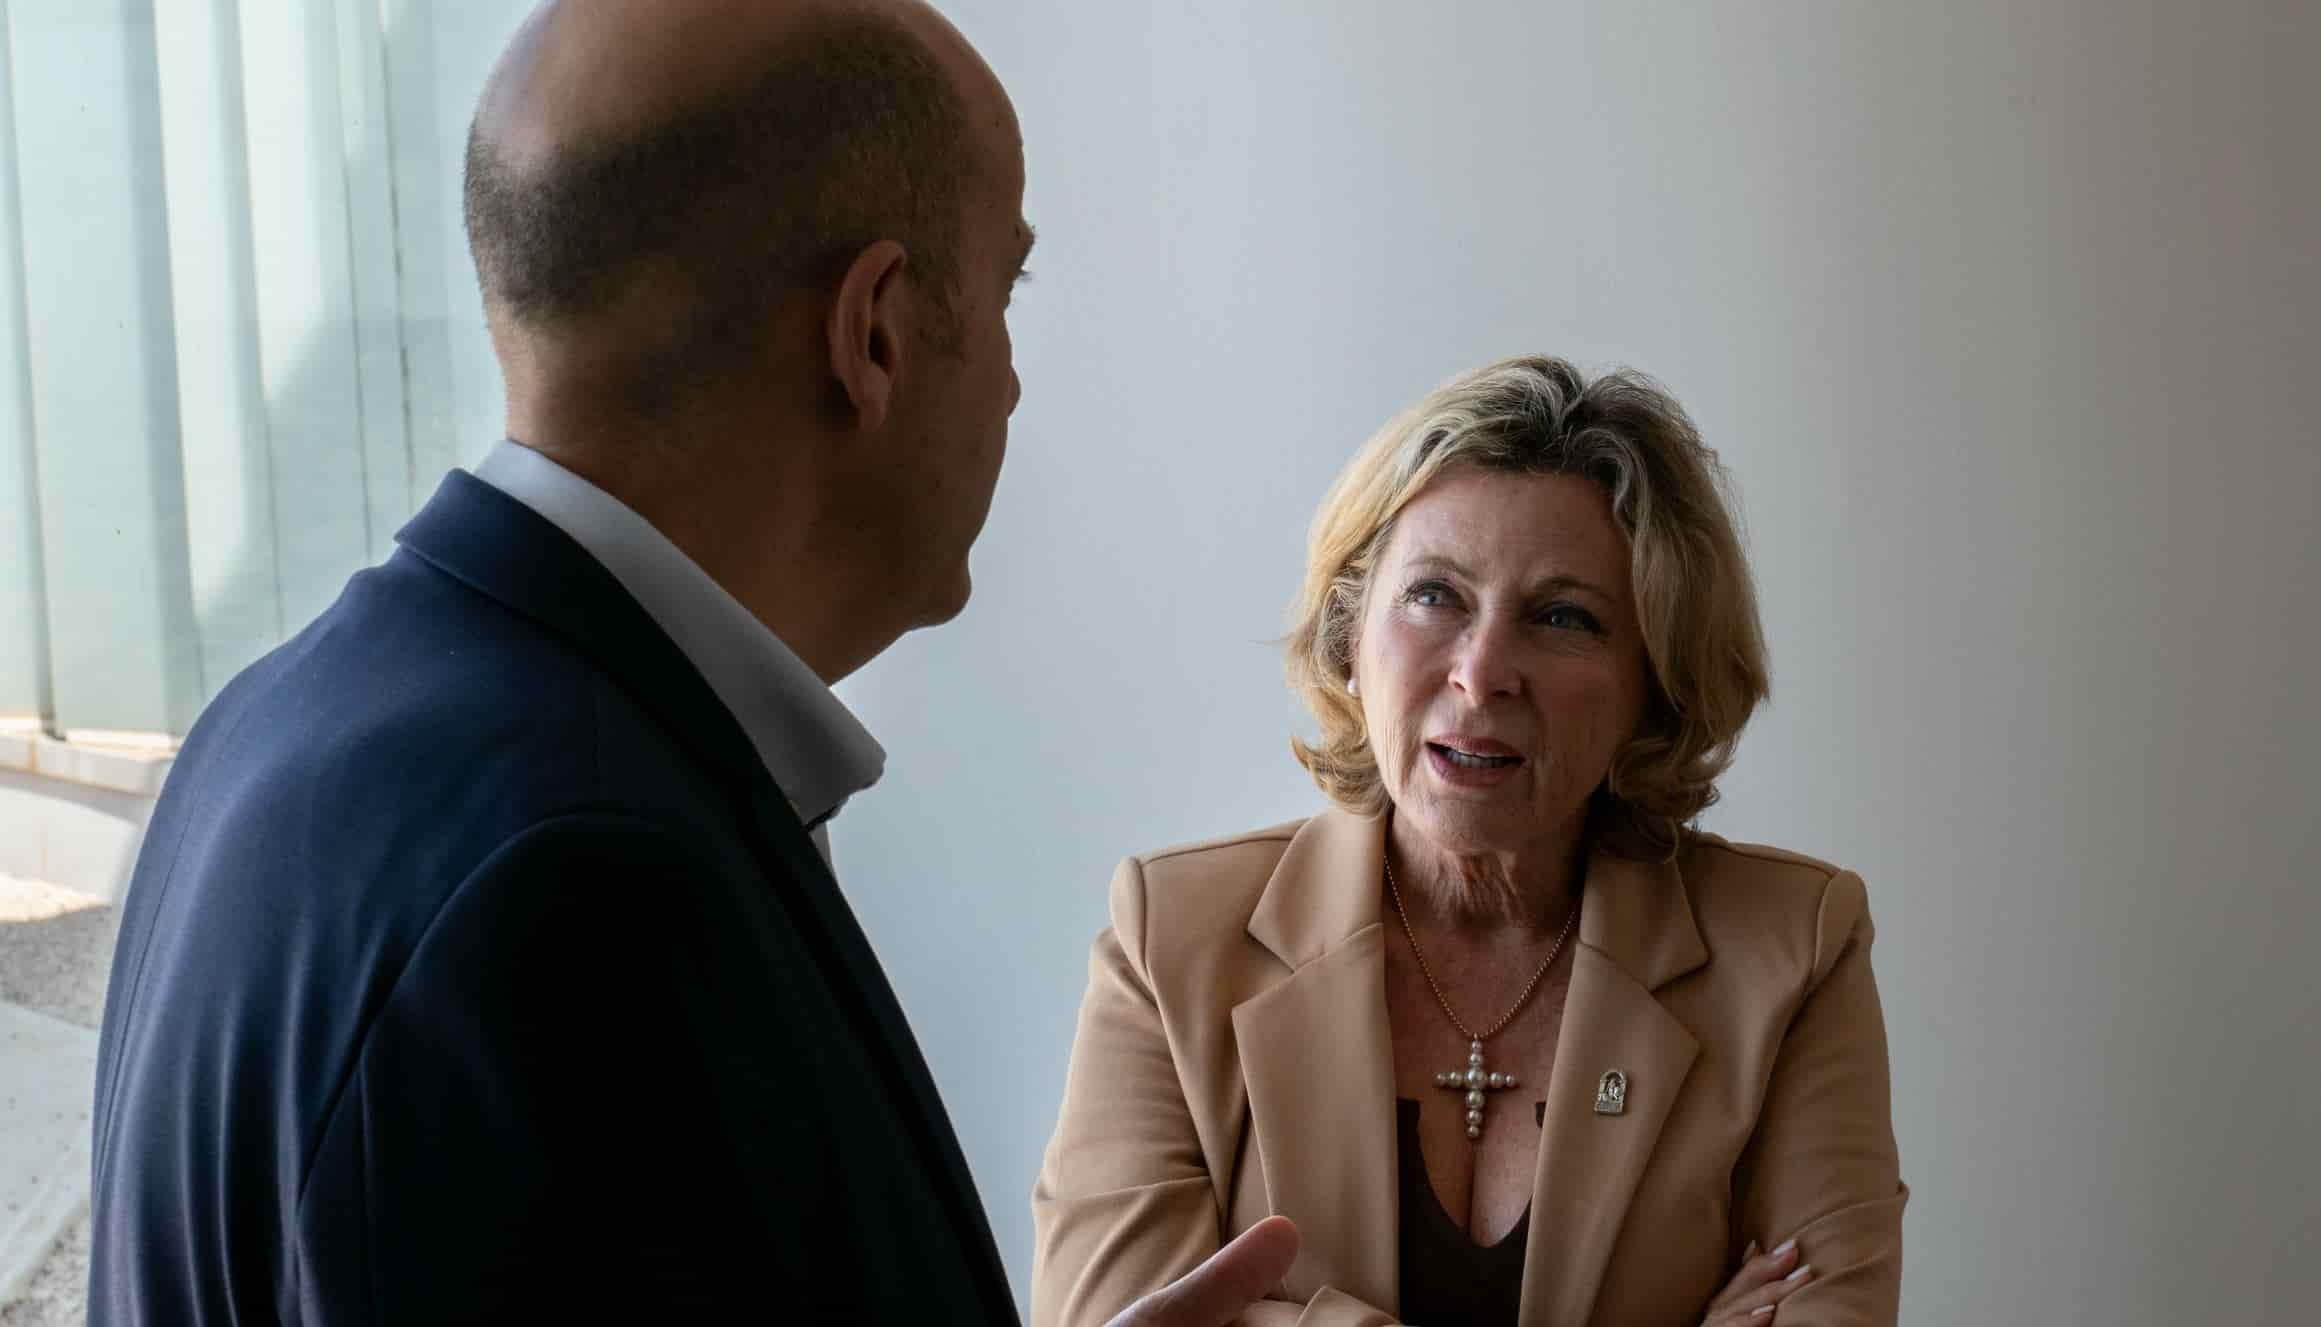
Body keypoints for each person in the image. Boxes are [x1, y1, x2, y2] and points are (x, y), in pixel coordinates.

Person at [86, 1, 1297, 1321]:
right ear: (875, 332)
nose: (1011, 382)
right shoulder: (571, 891)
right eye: (1006, 291)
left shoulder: (278, 721)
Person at [1033, 356, 1908, 1327]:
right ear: (1349, 633)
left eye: (1563, 616)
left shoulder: (1791, 951)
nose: (1482, 671)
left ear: (1654, 683)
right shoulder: (1169, 940)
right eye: (1434, 595)